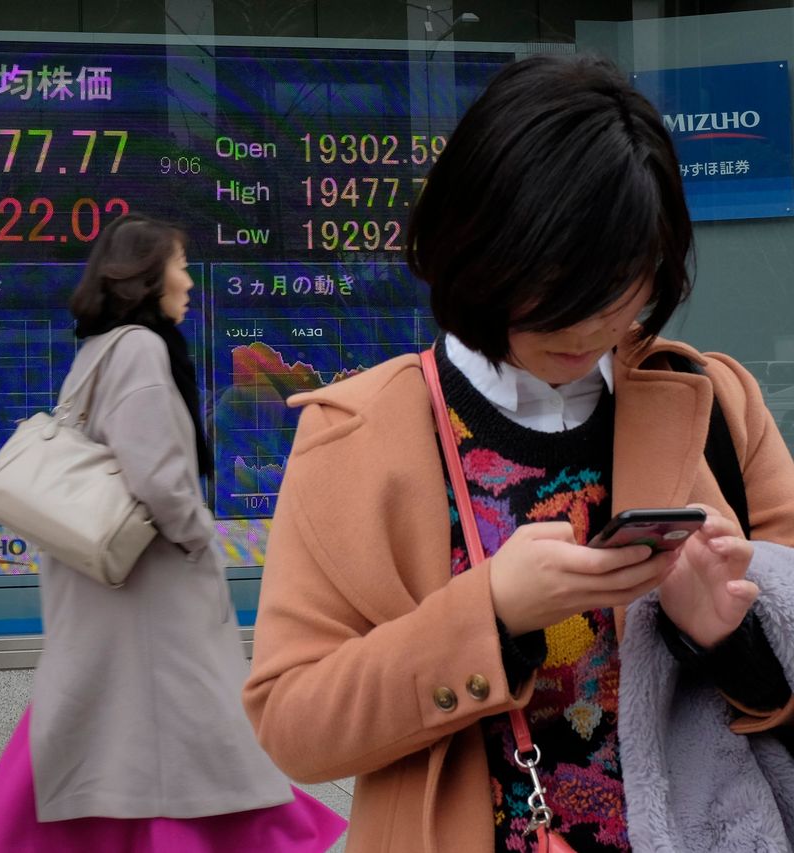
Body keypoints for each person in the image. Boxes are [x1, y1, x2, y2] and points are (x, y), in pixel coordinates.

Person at [243, 54, 794, 853]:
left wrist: (725, 636)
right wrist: (493, 614)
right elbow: (294, 724)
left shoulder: (714, 402)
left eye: (625, 287)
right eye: (556, 292)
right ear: (475, 249)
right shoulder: (356, 437)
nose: (589, 327)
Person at [0, 213, 347, 852]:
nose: (189, 280)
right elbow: (157, 475)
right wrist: (201, 537)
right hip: (147, 583)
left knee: (114, 725)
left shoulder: (96, 349)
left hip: (107, 581)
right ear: (147, 274)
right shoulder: (139, 347)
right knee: (188, 730)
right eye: (180, 264)